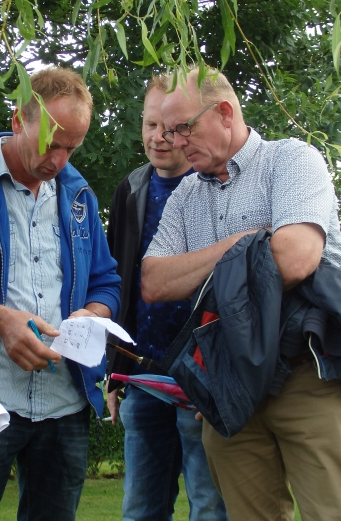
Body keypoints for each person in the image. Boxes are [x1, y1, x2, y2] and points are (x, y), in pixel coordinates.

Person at [140, 66, 341, 521]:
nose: (172, 141)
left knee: (337, 514)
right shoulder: (185, 194)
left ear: (225, 113)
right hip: (231, 386)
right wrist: (247, 241)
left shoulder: (291, 160)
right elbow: (154, 280)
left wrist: (207, 274)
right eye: (166, 131)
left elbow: (295, 257)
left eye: (183, 128)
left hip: (309, 375)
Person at [0, 66, 122, 521]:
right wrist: (1, 321)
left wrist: (92, 313)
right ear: (18, 121)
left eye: (73, 146)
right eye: (52, 142)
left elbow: (107, 282)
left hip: (64, 405)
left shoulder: (78, 196)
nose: (61, 160)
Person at [105, 74, 227, 521]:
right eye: (149, 124)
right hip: (143, 376)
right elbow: (120, 281)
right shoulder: (131, 188)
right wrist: (115, 371)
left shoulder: (216, 182)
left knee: (210, 507)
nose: (159, 137)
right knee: (140, 508)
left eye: (171, 126)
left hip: (203, 376)